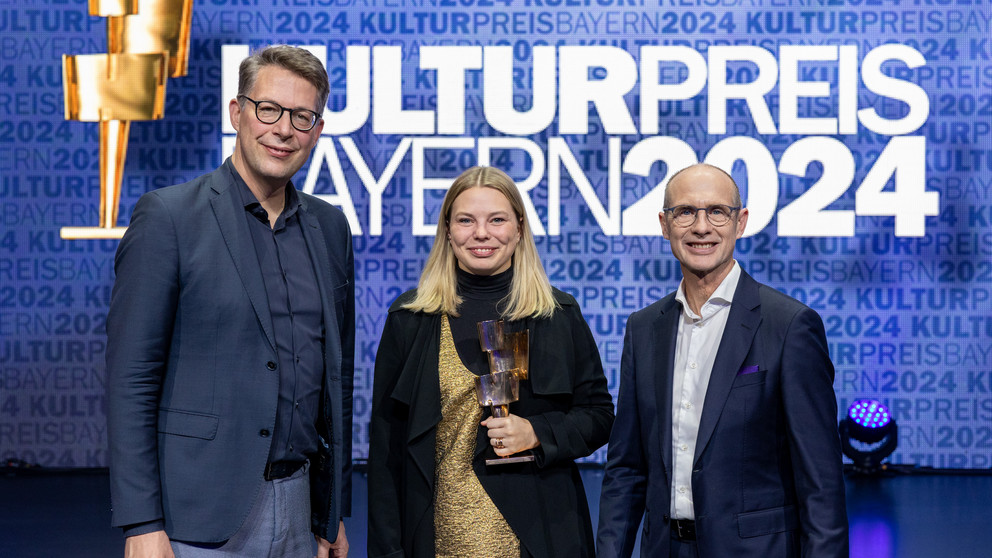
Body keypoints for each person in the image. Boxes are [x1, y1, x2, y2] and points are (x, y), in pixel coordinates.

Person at [106, 45, 354, 558]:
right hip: (195, 519)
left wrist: (332, 513)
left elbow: (335, 380)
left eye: (302, 116)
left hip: (302, 511)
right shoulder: (169, 217)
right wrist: (140, 523)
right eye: (269, 109)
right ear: (237, 112)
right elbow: (131, 378)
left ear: (318, 130)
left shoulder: (330, 227)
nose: (284, 129)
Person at [596, 163, 849, 558]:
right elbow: (626, 467)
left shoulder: (789, 326)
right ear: (664, 225)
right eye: (685, 212)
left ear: (740, 222)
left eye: (717, 211)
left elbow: (821, 481)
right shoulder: (644, 328)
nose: (701, 227)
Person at [368, 166, 614, 558]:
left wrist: (537, 431)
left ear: (519, 228)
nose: (481, 233)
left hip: (540, 533)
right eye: (466, 220)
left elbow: (599, 417)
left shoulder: (557, 314)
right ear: (448, 230)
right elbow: (386, 450)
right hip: (436, 536)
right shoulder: (410, 318)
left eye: (496, 220)